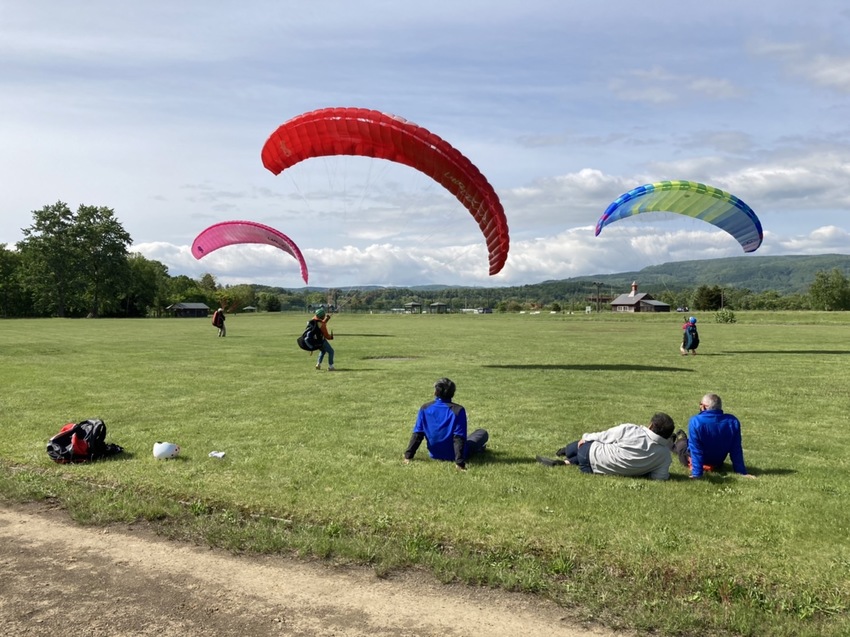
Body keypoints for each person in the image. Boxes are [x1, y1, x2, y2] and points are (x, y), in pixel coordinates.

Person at [535, 413, 676, 480]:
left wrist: (585, 437)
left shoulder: (632, 430)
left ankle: (567, 452)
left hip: (589, 454)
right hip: (592, 470)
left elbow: (603, 436)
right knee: (591, 451)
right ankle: (567, 462)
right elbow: (660, 477)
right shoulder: (664, 455)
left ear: (651, 425)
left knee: (580, 445)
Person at [403, 378, 488, 472]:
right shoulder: (458, 410)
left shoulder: (425, 408)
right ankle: (479, 449)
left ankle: (479, 449)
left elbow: (418, 434)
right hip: (455, 454)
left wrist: (408, 456)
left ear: (436, 391)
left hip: (434, 454)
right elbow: (459, 437)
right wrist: (459, 463)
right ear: (452, 393)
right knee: (482, 433)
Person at [673, 393, 756, 479]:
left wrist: (697, 474)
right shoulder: (732, 421)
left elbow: (696, 450)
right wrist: (741, 472)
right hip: (717, 462)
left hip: (699, 459)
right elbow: (736, 449)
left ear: (704, 407)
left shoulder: (696, 421)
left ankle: (672, 439)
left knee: (681, 444)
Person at [313, 307, 335, 371]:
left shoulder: (314, 320)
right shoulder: (322, 325)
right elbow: (326, 335)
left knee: (323, 351)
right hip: (321, 340)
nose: (324, 316)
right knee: (331, 351)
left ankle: (318, 364)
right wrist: (331, 337)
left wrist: (326, 319)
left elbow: (321, 323)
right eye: (323, 315)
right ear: (321, 316)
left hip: (314, 340)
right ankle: (331, 366)